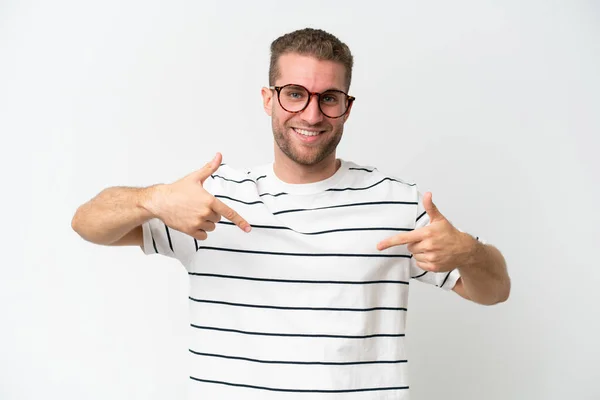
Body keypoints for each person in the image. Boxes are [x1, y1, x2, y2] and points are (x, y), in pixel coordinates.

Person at [72, 28, 510, 399]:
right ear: (268, 99)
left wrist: (469, 253)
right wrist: (151, 198)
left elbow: (494, 291)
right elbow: (87, 225)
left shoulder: (398, 202)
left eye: (329, 98)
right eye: (295, 94)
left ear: (348, 107)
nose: (312, 114)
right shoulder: (209, 201)